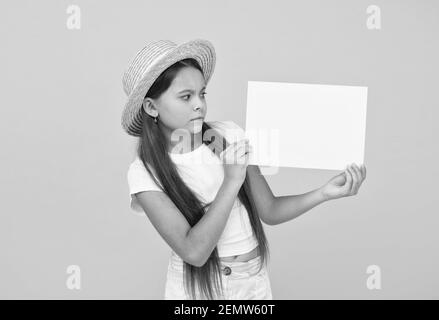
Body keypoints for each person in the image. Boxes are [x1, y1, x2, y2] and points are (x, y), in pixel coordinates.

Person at [121, 39, 366, 300]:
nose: (199, 105)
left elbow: (269, 210)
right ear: (151, 107)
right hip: (198, 290)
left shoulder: (227, 135)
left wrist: (324, 193)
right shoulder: (145, 173)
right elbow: (195, 252)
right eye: (186, 96)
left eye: (202, 93)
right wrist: (231, 180)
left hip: (252, 281)